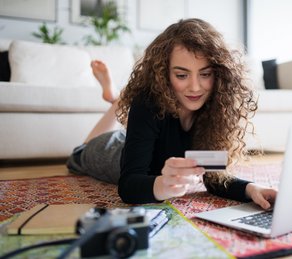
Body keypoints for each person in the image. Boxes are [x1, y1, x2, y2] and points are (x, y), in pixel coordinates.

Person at [67, 18, 277, 209]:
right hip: (111, 152)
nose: (195, 87)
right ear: (163, 75)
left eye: (205, 74)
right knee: (80, 152)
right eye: (182, 75)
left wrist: (251, 189)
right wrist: (162, 185)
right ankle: (119, 99)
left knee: (132, 136)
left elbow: (214, 178)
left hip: (137, 139)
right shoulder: (147, 103)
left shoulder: (215, 106)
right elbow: (129, 185)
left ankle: (119, 100)